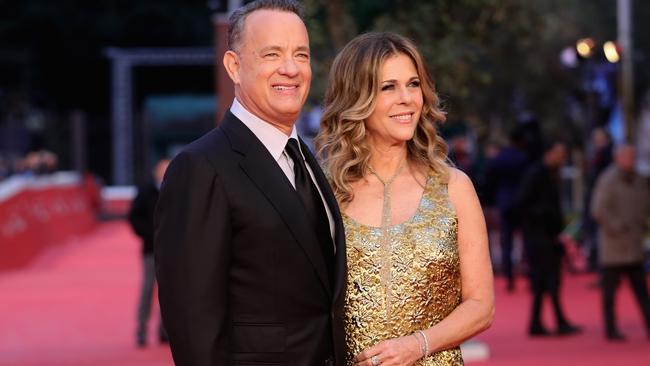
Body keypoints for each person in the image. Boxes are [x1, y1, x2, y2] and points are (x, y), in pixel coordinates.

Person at [154, 1, 347, 365]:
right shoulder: (200, 167)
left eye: (301, 55)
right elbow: (193, 325)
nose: (290, 69)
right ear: (234, 66)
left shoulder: (307, 160)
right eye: (272, 54)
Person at [316, 32, 494, 366]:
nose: (407, 99)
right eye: (388, 87)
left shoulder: (453, 187)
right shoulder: (324, 192)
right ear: (356, 98)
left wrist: (418, 345)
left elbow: (482, 306)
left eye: (413, 85)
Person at [515, 141, 581, 337]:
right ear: (549, 153)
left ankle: (538, 323)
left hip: (546, 235)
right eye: (560, 153)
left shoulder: (550, 174)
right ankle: (554, 322)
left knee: (545, 280)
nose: (563, 158)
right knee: (548, 279)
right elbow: (522, 203)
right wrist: (544, 217)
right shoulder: (536, 174)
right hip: (539, 236)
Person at [591, 144, 650, 341]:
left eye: (633, 157)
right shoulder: (608, 180)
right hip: (614, 246)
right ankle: (610, 329)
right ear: (618, 158)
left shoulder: (640, 180)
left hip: (633, 245)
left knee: (642, 292)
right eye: (627, 157)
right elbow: (598, 210)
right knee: (609, 294)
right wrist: (617, 226)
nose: (631, 160)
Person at [128, 158, 170, 347]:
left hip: (173, 250)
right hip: (151, 249)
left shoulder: (177, 188)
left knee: (169, 290)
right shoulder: (145, 191)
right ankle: (142, 328)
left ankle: (165, 329)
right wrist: (150, 234)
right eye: (162, 168)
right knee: (148, 288)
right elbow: (134, 216)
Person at [484, 127, 529, 292]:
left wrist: (492, 199)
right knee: (526, 240)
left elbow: (490, 180)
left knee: (507, 241)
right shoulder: (524, 158)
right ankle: (529, 274)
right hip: (522, 203)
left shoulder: (499, 158)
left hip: (504, 203)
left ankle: (509, 277)